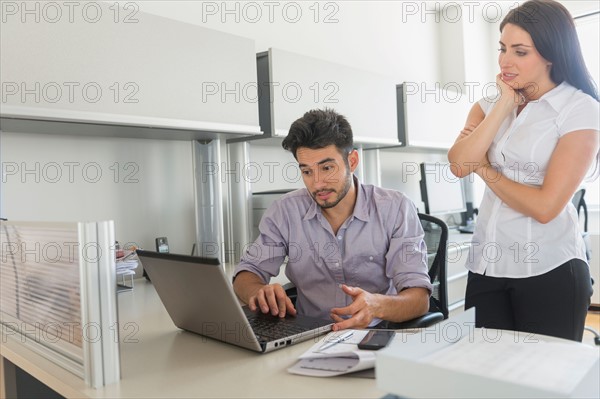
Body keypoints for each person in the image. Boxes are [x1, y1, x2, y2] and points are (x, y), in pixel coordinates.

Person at [448, 0, 599, 341]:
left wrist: (484, 168)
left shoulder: (579, 109)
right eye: (502, 49)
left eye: (519, 51)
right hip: (487, 265)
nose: (505, 61)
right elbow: (459, 164)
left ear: (550, 53)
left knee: (547, 387)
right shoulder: (488, 103)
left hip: (549, 268)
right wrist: (502, 105)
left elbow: (546, 207)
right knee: (488, 382)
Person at [233, 108, 432, 331]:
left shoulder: (395, 208)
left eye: (327, 168)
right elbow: (246, 274)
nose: (317, 184)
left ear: (352, 160)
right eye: (307, 171)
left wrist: (378, 306)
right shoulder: (285, 211)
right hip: (308, 336)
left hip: (377, 334)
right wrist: (257, 291)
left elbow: (419, 300)